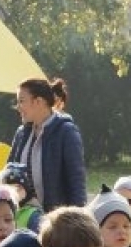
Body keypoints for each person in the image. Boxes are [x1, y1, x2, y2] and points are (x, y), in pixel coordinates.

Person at [5, 77, 86, 215]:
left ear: (38, 102)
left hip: (56, 222)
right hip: (24, 218)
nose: (17, 107)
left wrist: (77, 220)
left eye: (21, 101)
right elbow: (9, 173)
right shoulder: (21, 133)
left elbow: (76, 183)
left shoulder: (66, 132)